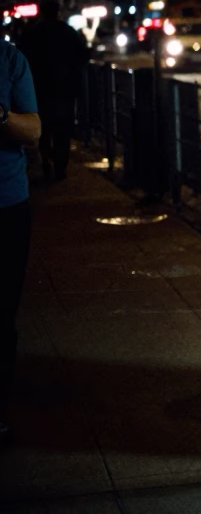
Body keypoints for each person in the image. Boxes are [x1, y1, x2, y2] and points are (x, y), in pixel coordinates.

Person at [0, 38, 41, 447]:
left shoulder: (10, 58)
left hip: (7, 204)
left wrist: (0, 115)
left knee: (2, 315)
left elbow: (32, 130)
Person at [18, 0, 88, 181]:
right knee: (63, 130)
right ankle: (60, 166)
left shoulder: (32, 33)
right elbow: (83, 56)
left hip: (40, 88)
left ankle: (46, 160)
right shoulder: (68, 32)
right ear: (58, 12)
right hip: (65, 89)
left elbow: (22, 57)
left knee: (44, 128)